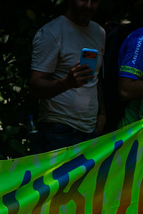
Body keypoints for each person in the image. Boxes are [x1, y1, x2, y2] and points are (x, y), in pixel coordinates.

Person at [29, 0, 106, 151]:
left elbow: (94, 77)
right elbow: (34, 86)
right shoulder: (51, 33)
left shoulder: (99, 32)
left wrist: (101, 112)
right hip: (59, 129)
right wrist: (67, 82)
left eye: (95, 0)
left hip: (90, 129)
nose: (89, 5)